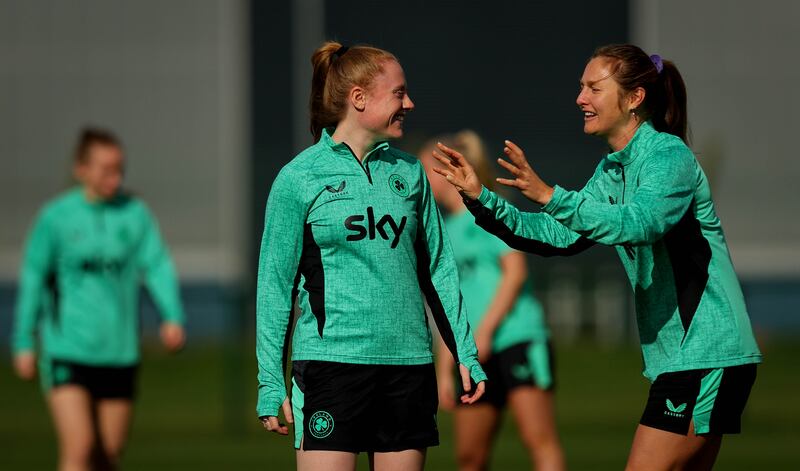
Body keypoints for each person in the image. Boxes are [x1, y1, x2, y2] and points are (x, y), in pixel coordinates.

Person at [431, 44, 761, 471]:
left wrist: (550, 195)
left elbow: (640, 223)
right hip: (680, 359)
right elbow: (554, 237)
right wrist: (480, 197)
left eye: (593, 88)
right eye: (580, 87)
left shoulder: (668, 156)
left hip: (707, 350)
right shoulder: (610, 171)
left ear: (635, 98)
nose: (580, 98)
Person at [256, 41, 486, 471]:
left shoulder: (410, 172)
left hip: (408, 370)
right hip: (331, 368)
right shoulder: (299, 178)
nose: (410, 103)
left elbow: (438, 267)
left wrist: (465, 354)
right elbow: (275, 286)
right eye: (399, 93)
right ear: (358, 98)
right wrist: (271, 380)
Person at [11, 128, 186, 471]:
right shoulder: (55, 218)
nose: (115, 178)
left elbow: (156, 266)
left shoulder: (134, 214)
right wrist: (23, 342)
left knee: (108, 454)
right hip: (67, 351)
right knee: (79, 448)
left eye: (120, 169)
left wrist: (172, 317)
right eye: (106, 170)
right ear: (81, 169)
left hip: (119, 352)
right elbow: (33, 277)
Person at [419, 131, 565, 471]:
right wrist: (443, 369)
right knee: (470, 457)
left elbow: (515, 274)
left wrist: (484, 332)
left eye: (427, 170)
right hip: (472, 355)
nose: (422, 179)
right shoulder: (439, 229)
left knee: (539, 440)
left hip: (517, 338)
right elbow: (445, 305)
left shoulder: (490, 209)